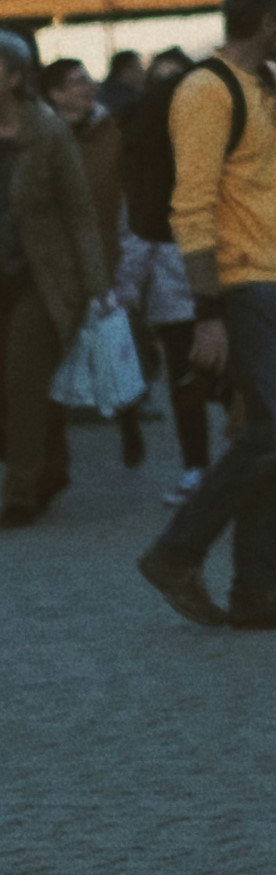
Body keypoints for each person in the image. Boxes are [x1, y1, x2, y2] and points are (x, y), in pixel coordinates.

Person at [135, 0, 276, 633]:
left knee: (275, 435)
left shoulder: (267, 82)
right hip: (243, 283)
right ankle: (176, 551)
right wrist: (208, 313)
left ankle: (258, 589)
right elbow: (189, 207)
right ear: (270, 19)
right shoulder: (205, 89)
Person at [0, 31, 108, 527]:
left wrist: (95, 286)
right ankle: (47, 466)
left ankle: (21, 490)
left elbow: (81, 212)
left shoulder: (47, 133)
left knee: (23, 380)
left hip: (40, 280)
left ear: (16, 76)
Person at [42, 54, 146, 468]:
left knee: (117, 348)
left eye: (87, 80)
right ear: (53, 94)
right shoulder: (41, 139)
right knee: (51, 362)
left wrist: (128, 272)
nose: (86, 87)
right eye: (74, 82)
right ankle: (51, 461)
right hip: (55, 268)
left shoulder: (112, 136)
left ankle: (129, 418)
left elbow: (127, 203)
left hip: (107, 259)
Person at [117, 51, 206, 501]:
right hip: (172, 291)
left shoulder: (208, 143)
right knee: (185, 380)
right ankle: (197, 466)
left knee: (226, 379)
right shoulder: (148, 156)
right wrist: (127, 292)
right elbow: (135, 228)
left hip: (215, 281)